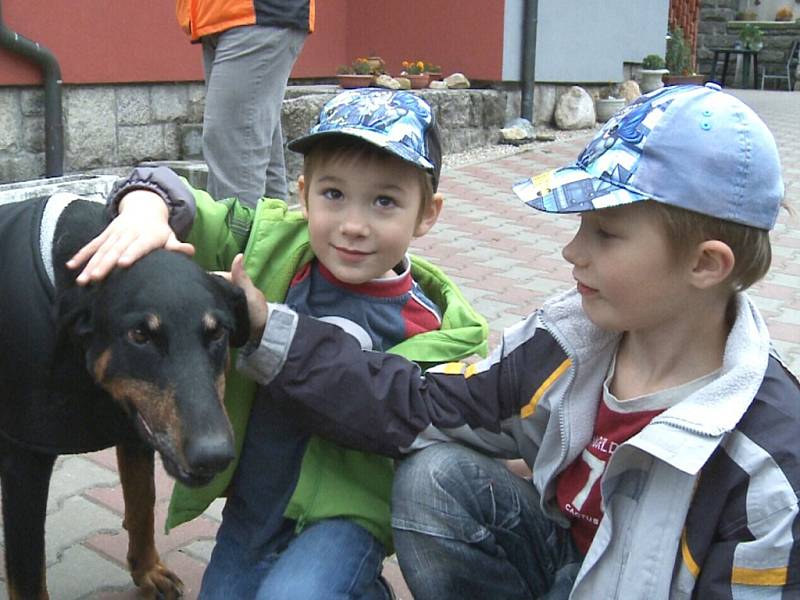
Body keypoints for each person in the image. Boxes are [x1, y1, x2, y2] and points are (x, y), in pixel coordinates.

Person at [221, 83, 799, 598]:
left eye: (605, 232)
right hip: (561, 562)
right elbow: (416, 404)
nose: (573, 252)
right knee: (435, 480)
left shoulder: (765, 462)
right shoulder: (569, 343)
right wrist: (269, 331)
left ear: (705, 265)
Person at [68, 89, 488, 599]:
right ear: (304, 193)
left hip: (345, 520)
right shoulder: (269, 247)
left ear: (427, 213)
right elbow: (170, 188)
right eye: (334, 195)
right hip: (255, 507)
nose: (354, 225)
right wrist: (143, 210)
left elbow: (407, 412)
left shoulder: (433, 330)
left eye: (384, 201)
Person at [177, 0, 312, 206]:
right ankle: (272, 234)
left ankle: (237, 236)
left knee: (232, 150)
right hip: (223, 17)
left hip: (257, 13)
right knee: (251, 146)